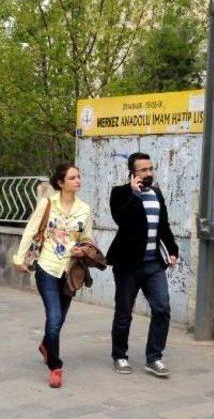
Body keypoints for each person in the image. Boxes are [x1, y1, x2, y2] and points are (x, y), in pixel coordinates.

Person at [13, 163, 93, 388]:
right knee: (55, 317)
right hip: (47, 267)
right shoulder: (47, 204)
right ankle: (55, 366)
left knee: (59, 319)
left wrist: (83, 249)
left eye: (79, 176)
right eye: (72, 178)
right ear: (60, 182)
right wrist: (19, 258)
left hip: (70, 272)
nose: (78, 181)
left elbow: (88, 238)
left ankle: (46, 345)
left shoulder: (84, 209)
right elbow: (30, 230)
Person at [107, 152, 179, 378]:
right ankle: (119, 355)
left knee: (162, 308)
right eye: (144, 170)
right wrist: (134, 194)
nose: (149, 173)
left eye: (151, 169)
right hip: (128, 265)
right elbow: (122, 221)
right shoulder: (120, 194)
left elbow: (163, 226)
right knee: (124, 312)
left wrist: (173, 250)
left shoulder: (157, 194)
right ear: (133, 173)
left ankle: (154, 358)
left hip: (153, 265)